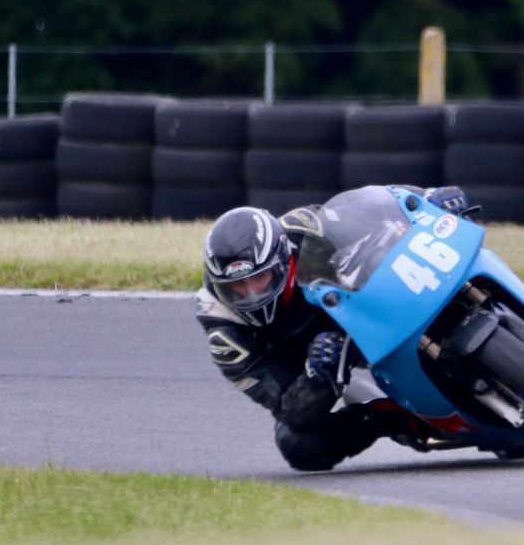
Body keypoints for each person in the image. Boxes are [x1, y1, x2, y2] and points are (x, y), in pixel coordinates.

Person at [196, 192, 467, 471]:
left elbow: (382, 206)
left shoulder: (303, 227)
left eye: (259, 278)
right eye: (238, 287)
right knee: (296, 443)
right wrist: (315, 377)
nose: (252, 294)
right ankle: (392, 416)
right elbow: (286, 406)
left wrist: (426, 199)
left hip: (358, 297)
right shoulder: (224, 330)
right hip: (314, 357)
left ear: (281, 261)